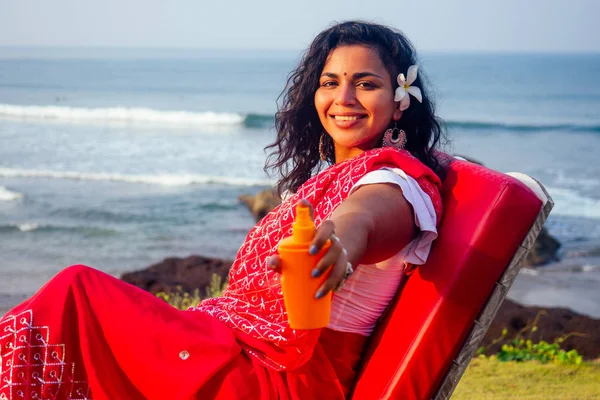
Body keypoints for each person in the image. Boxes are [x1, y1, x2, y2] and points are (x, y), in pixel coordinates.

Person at [0, 21, 445, 399]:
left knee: (78, 291)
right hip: (245, 352)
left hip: (282, 378)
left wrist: (341, 245)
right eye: (331, 82)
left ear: (400, 100)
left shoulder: (394, 181)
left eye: (366, 84)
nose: (344, 98)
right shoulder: (340, 175)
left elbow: (364, 217)